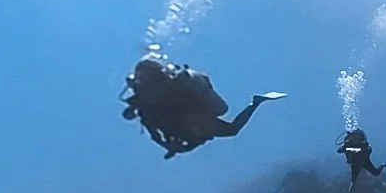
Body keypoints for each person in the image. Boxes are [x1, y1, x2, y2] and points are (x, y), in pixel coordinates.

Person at [121, 57, 284, 159]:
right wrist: (171, 146)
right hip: (187, 115)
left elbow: (154, 133)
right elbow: (156, 132)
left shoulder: (146, 105)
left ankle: (256, 102)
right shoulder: (150, 103)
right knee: (231, 130)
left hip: (188, 115)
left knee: (230, 130)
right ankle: (255, 103)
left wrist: (170, 147)